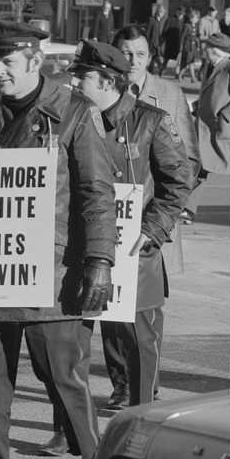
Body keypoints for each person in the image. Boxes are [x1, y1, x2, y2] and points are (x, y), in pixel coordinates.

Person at [0, 20, 117, 459]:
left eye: (7, 61)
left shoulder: (73, 113)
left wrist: (99, 261)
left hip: (51, 274)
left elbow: (96, 192)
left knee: (65, 382)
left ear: (34, 61)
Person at [68, 40, 191, 407]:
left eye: (83, 78)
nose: (75, 85)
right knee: (70, 343)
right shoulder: (71, 119)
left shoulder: (150, 121)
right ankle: (69, 428)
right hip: (85, 246)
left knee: (139, 342)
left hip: (136, 249)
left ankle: (143, 418)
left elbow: (178, 181)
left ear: (106, 82)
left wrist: (153, 228)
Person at [182, 32, 230, 224]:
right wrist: (192, 107)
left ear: (213, 50)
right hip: (203, 128)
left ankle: (187, 210)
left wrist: (224, 116)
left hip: (217, 130)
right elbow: (207, 97)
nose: (203, 50)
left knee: (198, 169)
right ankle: (187, 210)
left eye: (206, 47)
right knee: (197, 169)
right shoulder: (209, 66)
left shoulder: (229, 69)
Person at [177, 8, 201, 83]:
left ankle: (192, 78)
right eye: (191, 17)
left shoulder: (195, 26)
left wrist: (198, 46)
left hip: (193, 47)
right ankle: (181, 75)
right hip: (187, 47)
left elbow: (196, 37)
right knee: (188, 62)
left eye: (194, 17)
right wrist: (181, 49)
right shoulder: (186, 25)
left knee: (191, 62)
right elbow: (182, 38)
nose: (192, 19)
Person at [161, 5, 186, 77]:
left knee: (179, 59)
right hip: (170, 43)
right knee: (166, 59)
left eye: (181, 13)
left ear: (183, 14)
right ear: (176, 12)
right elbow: (165, 31)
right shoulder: (170, 19)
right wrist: (162, 41)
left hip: (180, 43)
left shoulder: (185, 21)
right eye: (179, 13)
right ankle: (162, 71)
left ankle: (177, 74)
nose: (180, 14)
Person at [198, 6, 221, 80]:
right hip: (205, 45)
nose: (215, 13)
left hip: (214, 46)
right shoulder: (203, 20)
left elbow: (218, 32)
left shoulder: (216, 21)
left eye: (215, 12)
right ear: (209, 12)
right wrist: (209, 38)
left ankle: (202, 77)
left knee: (210, 62)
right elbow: (200, 35)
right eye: (213, 12)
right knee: (205, 62)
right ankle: (201, 77)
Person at [145, 4, 167, 75]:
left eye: (162, 12)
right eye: (160, 12)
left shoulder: (163, 20)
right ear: (157, 12)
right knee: (156, 55)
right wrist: (147, 41)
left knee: (154, 57)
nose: (161, 14)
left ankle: (150, 71)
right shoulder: (152, 19)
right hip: (152, 42)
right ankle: (161, 67)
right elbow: (147, 32)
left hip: (159, 43)